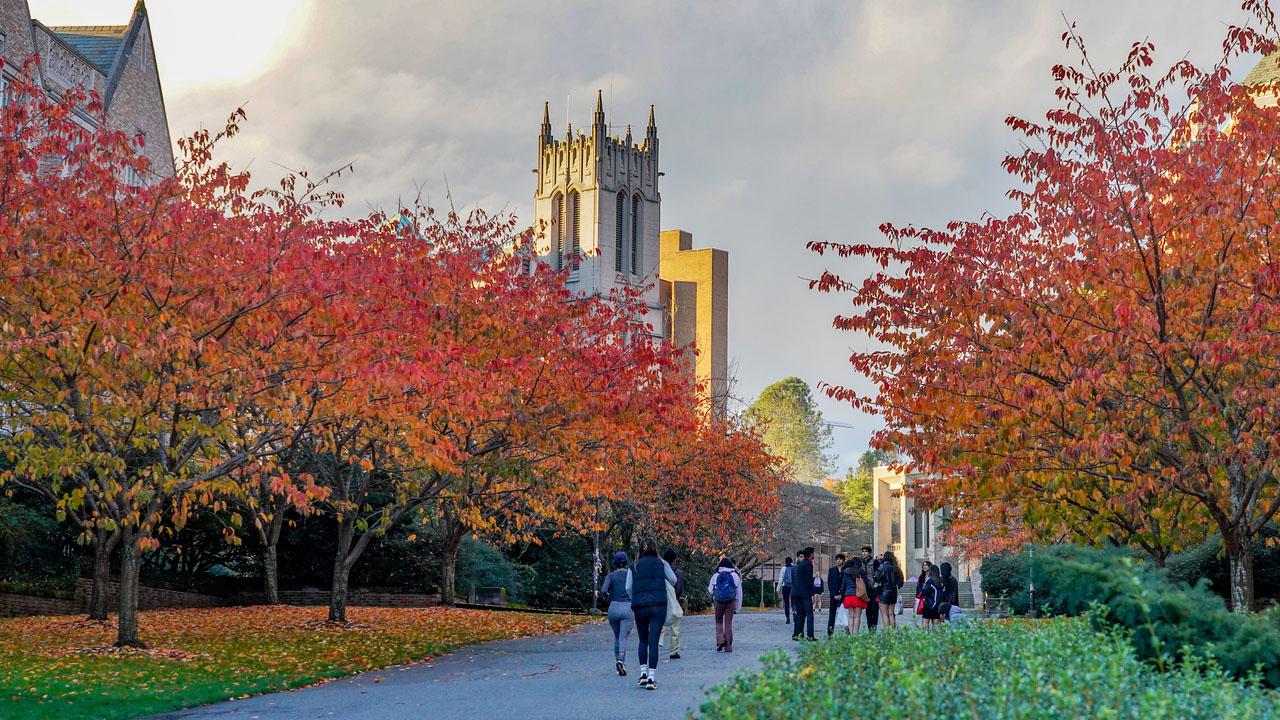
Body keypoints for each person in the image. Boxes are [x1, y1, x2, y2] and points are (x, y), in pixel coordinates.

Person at [625, 536, 675, 690]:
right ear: (655, 548)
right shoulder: (662, 563)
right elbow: (673, 579)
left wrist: (636, 597)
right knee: (654, 641)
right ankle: (652, 678)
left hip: (640, 606)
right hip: (658, 605)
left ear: (640, 549)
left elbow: (628, 587)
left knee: (643, 641)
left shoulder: (634, 566)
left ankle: (642, 674)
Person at [599, 551, 634, 676]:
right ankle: (621, 660)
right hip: (628, 607)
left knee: (617, 636)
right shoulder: (631, 575)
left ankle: (617, 664)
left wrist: (609, 595)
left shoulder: (611, 576)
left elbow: (603, 590)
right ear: (626, 562)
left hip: (613, 607)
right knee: (623, 637)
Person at [708, 557, 743, 652]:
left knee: (718, 622)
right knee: (728, 624)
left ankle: (720, 640)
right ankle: (728, 646)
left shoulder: (716, 575)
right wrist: (738, 607)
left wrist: (716, 594)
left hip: (718, 601)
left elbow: (710, 590)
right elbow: (739, 592)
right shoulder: (735, 575)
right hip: (731, 601)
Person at [658, 548, 685, 659]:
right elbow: (678, 589)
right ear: (675, 559)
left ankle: (656, 644)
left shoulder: (660, 569)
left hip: (661, 600)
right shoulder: (677, 572)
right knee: (675, 627)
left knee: (659, 624)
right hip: (673, 601)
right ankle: (674, 651)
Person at [791, 547, 816, 640]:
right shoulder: (808, 564)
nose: (814, 555)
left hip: (798, 594)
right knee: (809, 614)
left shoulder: (800, 565)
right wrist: (812, 594)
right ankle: (810, 635)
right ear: (810, 554)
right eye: (813, 553)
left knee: (800, 614)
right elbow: (809, 580)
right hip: (806, 594)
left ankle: (799, 634)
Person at [840, 555, 868, 634]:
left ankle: (851, 634)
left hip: (848, 596)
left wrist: (842, 596)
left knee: (850, 616)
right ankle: (855, 634)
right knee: (857, 617)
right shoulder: (861, 572)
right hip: (858, 596)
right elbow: (865, 583)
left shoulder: (846, 572)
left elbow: (843, 585)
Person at [876, 550, 902, 628]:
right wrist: (896, 586)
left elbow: (877, 577)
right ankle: (892, 633)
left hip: (884, 591)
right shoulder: (896, 567)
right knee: (891, 613)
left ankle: (887, 633)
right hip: (893, 592)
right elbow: (901, 580)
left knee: (884, 614)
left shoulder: (882, 566)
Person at [826, 553, 846, 636]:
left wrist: (842, 594)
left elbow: (846, 584)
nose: (838, 561)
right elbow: (830, 583)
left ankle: (847, 632)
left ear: (843, 561)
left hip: (843, 595)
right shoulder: (832, 570)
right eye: (837, 559)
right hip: (833, 595)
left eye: (840, 559)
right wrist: (834, 594)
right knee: (832, 614)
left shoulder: (846, 570)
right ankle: (830, 632)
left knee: (846, 614)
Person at [862, 546, 880, 632]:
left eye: (865, 551)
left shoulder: (875, 562)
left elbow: (879, 574)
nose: (864, 553)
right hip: (865, 590)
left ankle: (874, 629)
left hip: (874, 590)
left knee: (875, 610)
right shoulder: (861, 563)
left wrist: (876, 585)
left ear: (869, 553)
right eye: (863, 552)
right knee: (868, 611)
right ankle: (870, 629)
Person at [779, 556, 794, 623]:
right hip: (793, 587)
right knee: (794, 602)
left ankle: (788, 617)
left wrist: (778, 589)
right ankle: (795, 615)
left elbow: (780, 579)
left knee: (786, 603)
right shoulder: (795, 567)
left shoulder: (783, 568)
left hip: (785, 587)